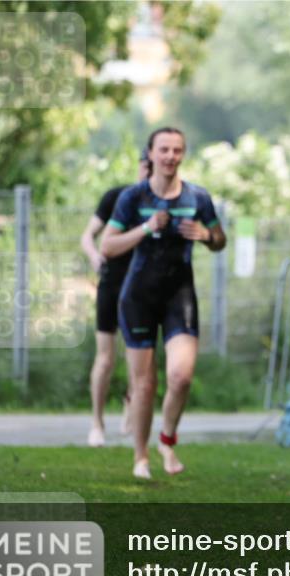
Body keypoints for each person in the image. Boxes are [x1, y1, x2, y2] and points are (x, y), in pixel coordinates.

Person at [99, 127, 227, 479]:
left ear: (183, 154)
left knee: (181, 377)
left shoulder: (198, 197)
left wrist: (206, 235)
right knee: (144, 384)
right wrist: (145, 228)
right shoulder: (133, 198)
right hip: (138, 296)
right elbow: (106, 247)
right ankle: (140, 457)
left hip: (179, 294)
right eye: (164, 150)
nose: (170, 156)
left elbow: (220, 239)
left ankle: (166, 438)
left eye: (177, 150)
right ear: (151, 154)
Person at [80, 149, 151, 447]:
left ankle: (131, 404)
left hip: (143, 288)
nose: (150, 171)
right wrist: (96, 257)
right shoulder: (117, 198)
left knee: (141, 362)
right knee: (105, 358)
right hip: (111, 286)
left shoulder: (162, 206)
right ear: (140, 165)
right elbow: (88, 237)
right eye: (147, 165)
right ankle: (97, 423)